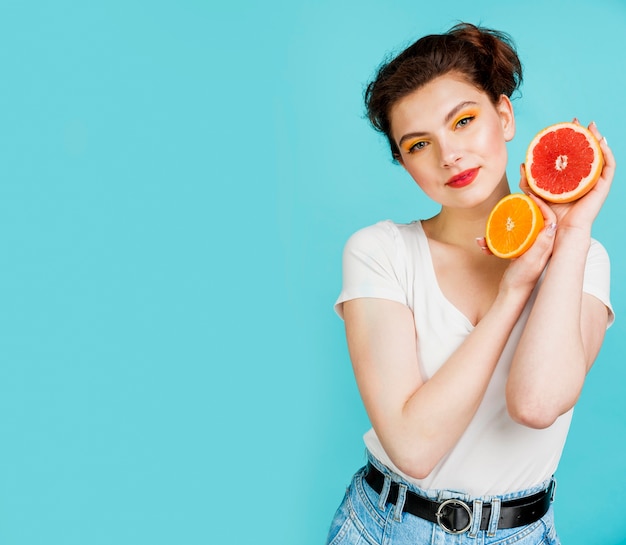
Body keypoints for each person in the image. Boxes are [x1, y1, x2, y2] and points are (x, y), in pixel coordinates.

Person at [326, 22, 615, 545]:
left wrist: (570, 234)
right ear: (404, 162)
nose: (449, 155)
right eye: (418, 145)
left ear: (504, 116)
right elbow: (413, 449)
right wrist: (511, 294)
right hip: (385, 528)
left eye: (464, 120)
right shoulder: (380, 252)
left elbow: (536, 403)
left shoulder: (583, 258)